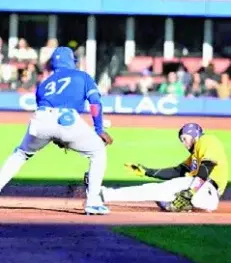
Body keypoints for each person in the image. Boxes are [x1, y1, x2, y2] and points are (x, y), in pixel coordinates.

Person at [0, 46, 113, 215]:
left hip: (40, 120)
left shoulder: (44, 84)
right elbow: (95, 103)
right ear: (72, 62)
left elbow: (48, 120)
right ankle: (93, 201)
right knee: (97, 151)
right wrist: (99, 129)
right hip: (68, 119)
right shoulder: (82, 76)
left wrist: (56, 136)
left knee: (20, 154)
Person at [84, 123, 228, 212]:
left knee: (156, 190)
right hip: (204, 196)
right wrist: (148, 171)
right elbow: (178, 171)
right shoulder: (195, 154)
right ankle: (182, 205)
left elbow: (207, 166)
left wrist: (191, 192)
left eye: (185, 138)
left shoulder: (206, 140)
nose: (184, 143)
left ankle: (104, 194)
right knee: (162, 198)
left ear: (193, 134)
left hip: (207, 190)